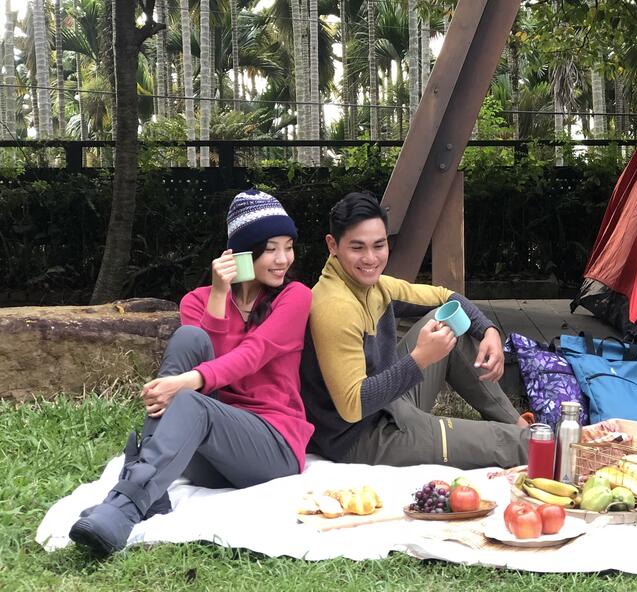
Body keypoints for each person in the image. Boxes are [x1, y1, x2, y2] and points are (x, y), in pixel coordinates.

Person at [70, 189, 313, 557]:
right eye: (270, 249)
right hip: (209, 454)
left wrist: (187, 383)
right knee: (189, 337)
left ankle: (125, 505)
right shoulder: (197, 300)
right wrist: (219, 294)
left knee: (192, 402)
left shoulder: (294, 296)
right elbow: (210, 357)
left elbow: (252, 354)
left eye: (288, 246)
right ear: (242, 253)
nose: (283, 259)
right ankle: (147, 493)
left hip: (271, 446)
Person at [300, 191, 531, 469]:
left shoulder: (376, 287)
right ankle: (554, 448)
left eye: (379, 245)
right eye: (357, 247)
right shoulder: (334, 306)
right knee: (499, 442)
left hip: (389, 404)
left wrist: (489, 331)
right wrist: (420, 358)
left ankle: (520, 425)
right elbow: (353, 407)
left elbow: (447, 297)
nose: (371, 258)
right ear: (333, 245)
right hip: (361, 438)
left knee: (445, 319)